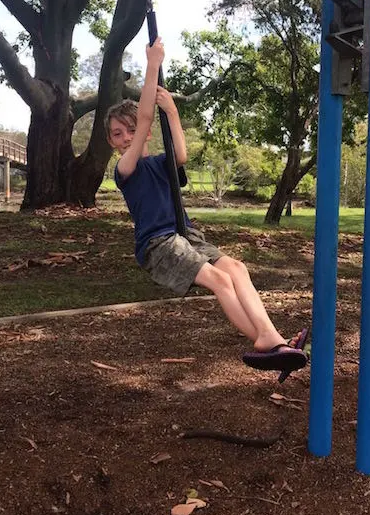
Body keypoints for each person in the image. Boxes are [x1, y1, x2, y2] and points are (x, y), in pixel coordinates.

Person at [105, 38, 308, 376]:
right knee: (219, 281)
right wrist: (152, 63)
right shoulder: (125, 170)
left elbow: (180, 155)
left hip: (186, 234)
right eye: (117, 134)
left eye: (129, 131)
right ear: (112, 143)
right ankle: (266, 340)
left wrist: (171, 111)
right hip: (159, 243)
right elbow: (143, 120)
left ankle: (272, 338)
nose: (126, 137)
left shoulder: (157, 162)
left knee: (237, 269)